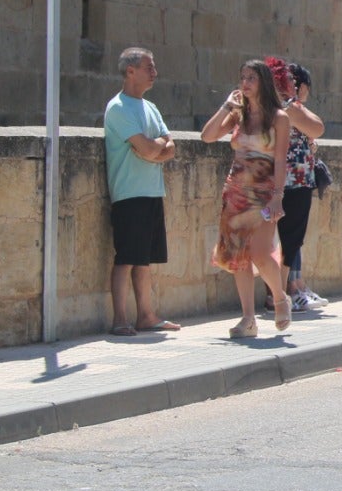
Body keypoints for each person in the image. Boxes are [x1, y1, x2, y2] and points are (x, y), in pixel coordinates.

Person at [202, 59, 292, 337]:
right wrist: (226, 106)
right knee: (237, 256)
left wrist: (278, 197)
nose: (245, 83)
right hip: (236, 192)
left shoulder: (279, 118)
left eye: (251, 77)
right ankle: (248, 319)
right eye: (242, 77)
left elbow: (280, 160)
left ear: (263, 82)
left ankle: (279, 296)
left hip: (264, 194)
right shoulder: (237, 114)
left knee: (261, 253)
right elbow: (207, 136)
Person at [103, 47, 181, 336]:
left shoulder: (150, 107)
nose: (154, 73)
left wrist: (153, 150)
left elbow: (168, 148)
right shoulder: (119, 108)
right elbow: (150, 147)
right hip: (128, 193)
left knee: (144, 259)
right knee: (126, 257)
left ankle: (146, 315)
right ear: (130, 71)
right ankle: (120, 319)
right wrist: (154, 148)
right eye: (149, 67)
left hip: (151, 191)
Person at [273, 61, 328, 314]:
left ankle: (287, 291)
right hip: (288, 181)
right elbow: (317, 127)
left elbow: (315, 127)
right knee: (285, 240)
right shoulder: (287, 108)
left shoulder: (285, 107)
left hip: (291, 180)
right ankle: (282, 294)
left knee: (288, 240)